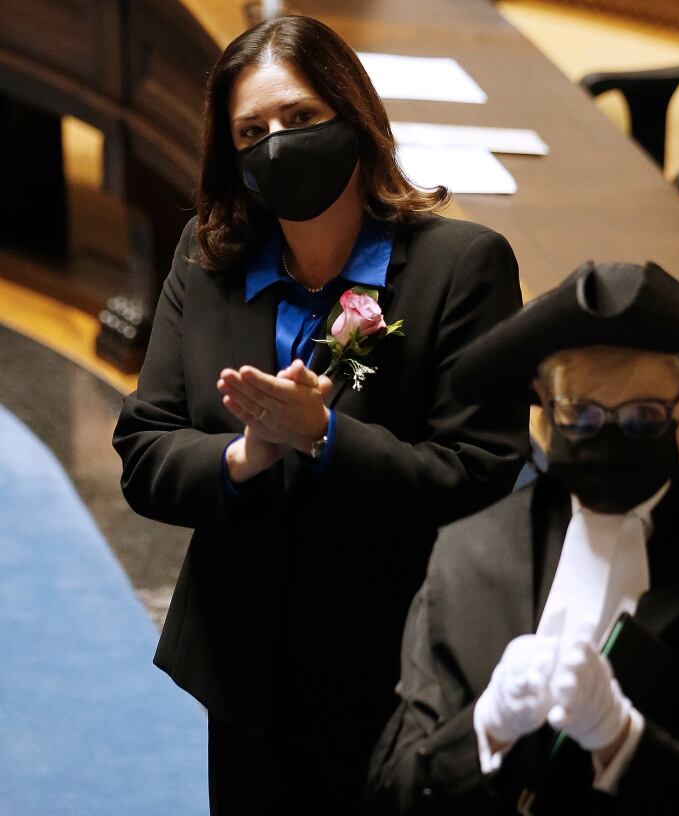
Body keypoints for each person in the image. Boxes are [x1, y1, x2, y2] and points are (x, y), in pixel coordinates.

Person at [112, 14, 528, 815]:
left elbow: (480, 475)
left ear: (354, 117)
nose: (278, 142)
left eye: (300, 119)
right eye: (252, 130)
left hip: (396, 669)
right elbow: (143, 448)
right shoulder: (207, 259)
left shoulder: (460, 268)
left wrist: (325, 437)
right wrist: (243, 459)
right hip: (243, 664)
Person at [367, 260, 679, 815]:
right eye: (581, 415)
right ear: (545, 407)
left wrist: (623, 741)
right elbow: (395, 793)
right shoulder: (470, 555)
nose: (608, 437)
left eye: (642, 417)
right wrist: (486, 729)